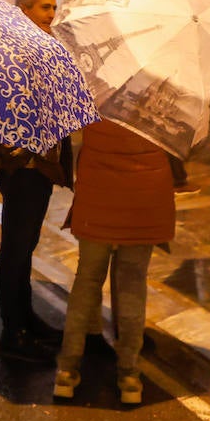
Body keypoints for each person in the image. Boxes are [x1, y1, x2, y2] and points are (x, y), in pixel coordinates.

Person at [52, 118, 174, 404]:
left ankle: (67, 371)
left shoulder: (97, 88)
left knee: (87, 280)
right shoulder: (167, 95)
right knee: (132, 284)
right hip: (146, 195)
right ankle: (129, 376)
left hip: (97, 195)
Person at [0, 0, 70, 365]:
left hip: (39, 166)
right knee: (15, 250)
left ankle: (26, 319)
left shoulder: (41, 47)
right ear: (22, 9)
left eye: (53, 7)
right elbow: (0, 112)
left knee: (25, 249)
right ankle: (13, 331)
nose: (51, 14)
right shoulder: (10, 52)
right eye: (43, 7)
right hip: (22, 165)